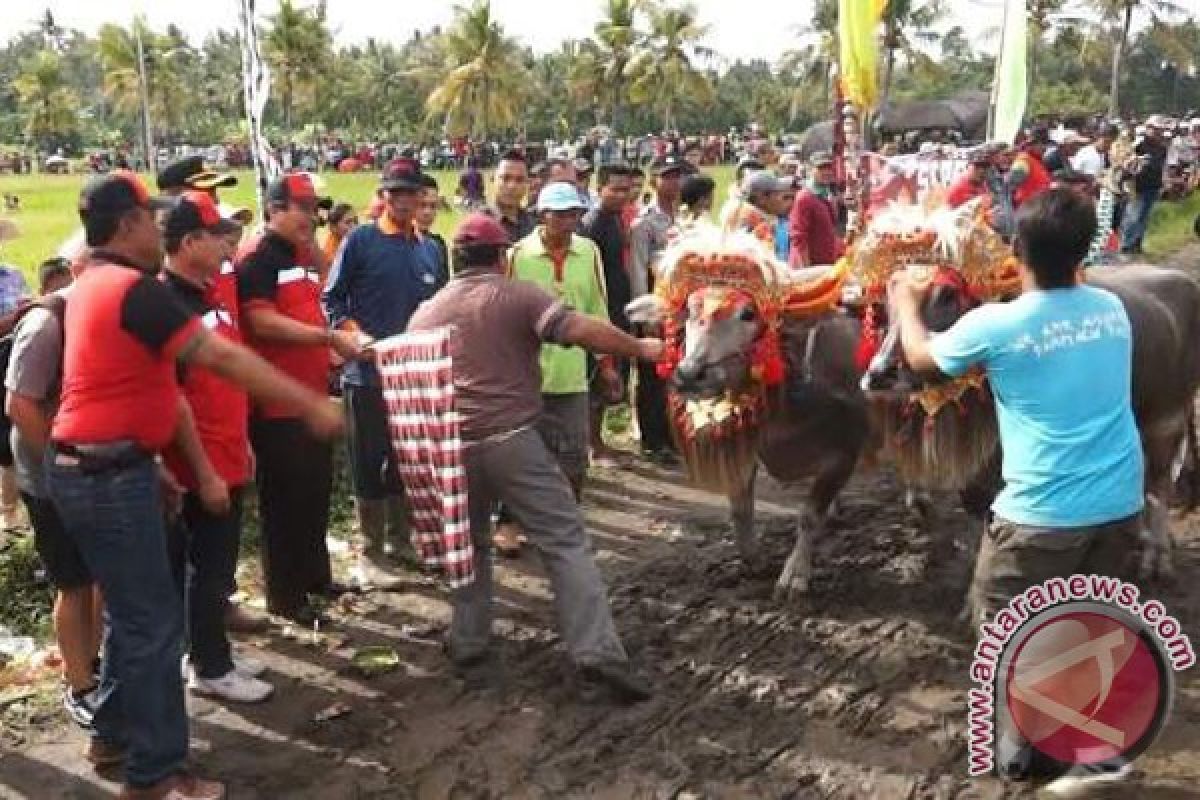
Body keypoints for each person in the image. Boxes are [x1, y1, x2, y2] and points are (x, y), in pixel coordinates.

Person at [47, 170, 342, 800]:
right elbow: (222, 359)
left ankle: (113, 736)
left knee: (136, 619)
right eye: (155, 220)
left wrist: (153, 464)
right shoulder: (136, 289)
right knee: (153, 624)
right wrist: (307, 402)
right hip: (104, 473)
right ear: (128, 226)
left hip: (105, 466)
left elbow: (122, 392)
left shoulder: (97, 284)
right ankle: (155, 775)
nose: (162, 230)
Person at [891, 188, 1143, 789]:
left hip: (1040, 515)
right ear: (1087, 250)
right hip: (1121, 503)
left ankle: (1034, 755)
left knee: (1007, 635)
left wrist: (904, 301)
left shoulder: (996, 325)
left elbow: (922, 360)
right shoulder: (1112, 308)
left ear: (1018, 250)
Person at [407, 212, 662, 704]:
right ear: (502, 257)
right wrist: (639, 347)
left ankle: (469, 642)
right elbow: (581, 329)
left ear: (455, 260)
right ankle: (596, 654)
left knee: (472, 545)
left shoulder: (426, 311)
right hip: (511, 440)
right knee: (564, 540)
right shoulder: (515, 294)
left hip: (451, 445)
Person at [158, 192, 273, 704]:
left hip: (227, 450)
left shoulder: (204, 294)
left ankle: (208, 648)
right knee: (206, 566)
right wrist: (203, 470)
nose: (228, 243)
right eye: (216, 234)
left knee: (216, 566)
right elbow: (173, 400)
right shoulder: (170, 306)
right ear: (189, 243)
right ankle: (208, 665)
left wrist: (242, 439)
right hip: (199, 462)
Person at [238, 173, 363, 621]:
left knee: (314, 491)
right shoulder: (258, 258)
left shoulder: (302, 255)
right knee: (286, 501)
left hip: (309, 395)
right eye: (303, 207)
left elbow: (310, 306)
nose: (312, 216)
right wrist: (325, 337)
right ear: (274, 208)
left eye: (315, 208)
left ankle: (315, 578)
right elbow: (261, 323)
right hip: (277, 402)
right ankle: (286, 598)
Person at [322, 160, 446, 588]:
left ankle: (403, 540)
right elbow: (333, 301)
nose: (405, 202)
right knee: (366, 460)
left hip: (414, 376)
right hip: (368, 375)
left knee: (407, 457)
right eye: (396, 194)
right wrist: (358, 339)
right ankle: (371, 548)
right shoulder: (361, 241)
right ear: (384, 196)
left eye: (412, 194)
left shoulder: (431, 248)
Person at [6, 256, 101, 730]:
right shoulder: (47, 323)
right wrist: (58, 462)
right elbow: (20, 405)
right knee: (73, 581)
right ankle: (79, 682)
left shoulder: (101, 314)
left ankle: (96, 661)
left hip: (93, 468)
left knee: (100, 575)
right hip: (49, 476)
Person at [492, 183, 613, 554]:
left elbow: (597, 309)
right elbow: (502, 313)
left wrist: (607, 364)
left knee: (574, 454)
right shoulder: (517, 256)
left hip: (572, 370)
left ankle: (563, 522)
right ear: (541, 215)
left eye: (574, 214)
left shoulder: (588, 252)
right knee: (521, 453)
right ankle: (509, 523)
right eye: (560, 214)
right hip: (526, 372)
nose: (569, 221)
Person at [630, 156, 686, 465]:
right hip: (657, 305)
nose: (674, 182)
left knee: (676, 375)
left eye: (677, 176)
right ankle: (653, 440)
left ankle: (673, 435)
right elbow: (638, 270)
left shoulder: (685, 217)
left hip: (681, 308)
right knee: (652, 377)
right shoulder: (644, 224)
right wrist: (646, 316)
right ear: (654, 182)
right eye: (667, 176)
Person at [580, 165, 636, 467]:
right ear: (599, 188)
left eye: (626, 190)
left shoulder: (615, 220)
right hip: (601, 309)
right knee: (598, 378)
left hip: (618, 306)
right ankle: (593, 444)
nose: (621, 195)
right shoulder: (593, 225)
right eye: (614, 189)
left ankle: (598, 439)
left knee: (612, 378)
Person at [0, 220, 31, 531]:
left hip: (12, 356)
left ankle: (11, 510)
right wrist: (16, 318)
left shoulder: (12, 274)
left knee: (11, 432)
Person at [1121, 117, 1168, 254]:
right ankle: (1126, 245)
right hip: (1137, 185)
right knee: (1133, 216)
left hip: (1153, 185)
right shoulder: (1138, 145)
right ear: (1148, 128)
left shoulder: (1162, 148)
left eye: (1160, 129)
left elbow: (1161, 167)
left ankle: (1137, 243)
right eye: (1155, 129)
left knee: (1144, 217)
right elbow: (1127, 163)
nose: (1157, 132)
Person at [789, 152, 844, 267]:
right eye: (821, 168)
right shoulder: (805, 197)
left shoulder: (827, 194)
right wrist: (807, 270)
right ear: (811, 170)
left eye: (829, 168)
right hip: (810, 267)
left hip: (825, 264)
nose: (827, 172)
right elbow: (798, 237)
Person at [733, 171, 794, 256]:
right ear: (762, 198)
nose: (781, 199)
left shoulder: (740, 217)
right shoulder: (755, 227)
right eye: (777, 194)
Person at [485, 150, 537, 242]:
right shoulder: (477, 226)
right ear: (493, 179)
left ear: (527, 183)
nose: (512, 186)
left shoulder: (535, 227)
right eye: (505, 178)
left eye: (519, 180)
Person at [416, 173, 449, 277]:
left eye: (433, 206)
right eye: (421, 205)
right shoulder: (390, 244)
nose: (427, 212)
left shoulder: (438, 245)